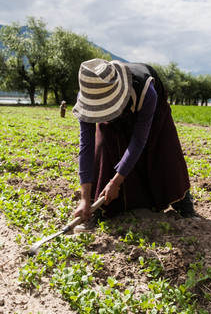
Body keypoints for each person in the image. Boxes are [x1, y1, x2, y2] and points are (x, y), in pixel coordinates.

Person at [72, 59, 197, 229]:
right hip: (121, 114)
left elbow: (139, 141)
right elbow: (86, 146)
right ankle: (98, 208)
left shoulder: (146, 91)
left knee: (166, 153)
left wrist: (115, 182)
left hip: (155, 114)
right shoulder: (87, 98)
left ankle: (184, 205)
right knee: (103, 149)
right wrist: (85, 198)